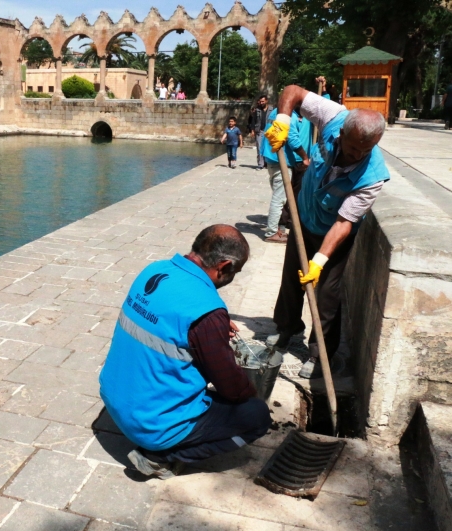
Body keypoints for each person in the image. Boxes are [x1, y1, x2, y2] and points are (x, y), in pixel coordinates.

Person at [100, 225, 271, 479]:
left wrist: (213, 329)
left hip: (115, 400)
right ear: (223, 266)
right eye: (235, 271)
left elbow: (167, 322)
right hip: (150, 425)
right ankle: (160, 457)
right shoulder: (207, 312)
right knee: (256, 416)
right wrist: (252, 393)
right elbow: (231, 388)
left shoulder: (155, 270)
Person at [264, 76, 389, 379]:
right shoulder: (334, 116)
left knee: (327, 296)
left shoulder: (371, 177)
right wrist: (282, 118)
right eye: (351, 147)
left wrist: (319, 261)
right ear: (342, 132)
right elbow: (292, 91)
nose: (356, 155)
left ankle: (321, 354)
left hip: (332, 233)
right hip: (302, 218)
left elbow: (345, 223)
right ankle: (287, 330)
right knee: (291, 280)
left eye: (364, 150)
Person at [259, 108, 312, 243]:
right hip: (280, 161)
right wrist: (305, 157)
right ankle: (271, 232)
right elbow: (292, 138)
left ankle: (274, 227)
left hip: (271, 158)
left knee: (278, 195)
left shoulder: (276, 111)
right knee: (279, 198)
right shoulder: (289, 116)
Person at [248, 94, 271, 170]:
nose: (261, 103)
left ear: (266, 101)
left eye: (263, 101)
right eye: (260, 101)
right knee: (260, 148)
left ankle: (267, 163)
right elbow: (253, 121)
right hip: (260, 131)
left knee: (268, 148)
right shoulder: (257, 110)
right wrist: (252, 130)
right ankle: (260, 164)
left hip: (269, 131)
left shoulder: (272, 109)